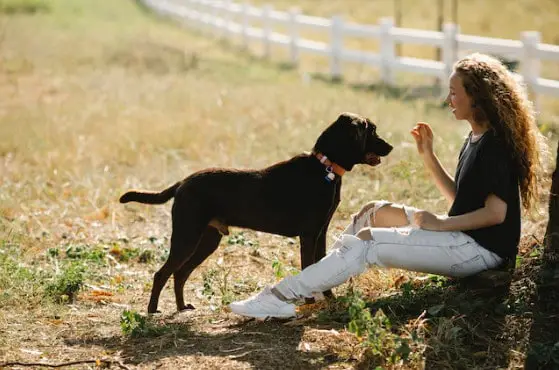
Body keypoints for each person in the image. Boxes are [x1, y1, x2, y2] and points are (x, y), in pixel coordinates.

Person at [228, 53, 546, 319]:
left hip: (481, 252)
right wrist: (429, 156)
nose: (448, 98)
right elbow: (464, 199)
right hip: (463, 238)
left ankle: (281, 296)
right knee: (372, 213)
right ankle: (323, 284)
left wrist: (440, 224)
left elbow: (495, 213)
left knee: (369, 242)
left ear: (475, 96)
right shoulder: (475, 136)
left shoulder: (494, 146)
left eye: (453, 92)